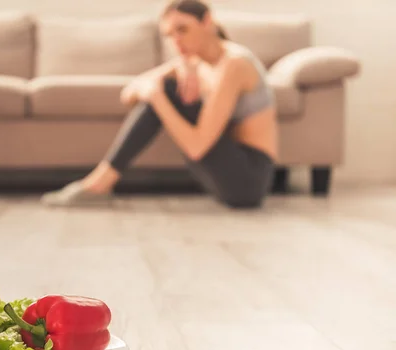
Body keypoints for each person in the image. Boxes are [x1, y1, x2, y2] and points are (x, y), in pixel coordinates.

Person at [41, 0, 278, 209]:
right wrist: (178, 70)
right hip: (224, 175)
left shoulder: (234, 64)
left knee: (165, 91)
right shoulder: (195, 63)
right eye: (170, 35)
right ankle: (101, 181)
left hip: (247, 182)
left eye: (183, 30)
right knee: (162, 88)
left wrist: (158, 96)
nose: (177, 41)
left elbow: (197, 147)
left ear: (207, 22)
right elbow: (130, 92)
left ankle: (100, 182)